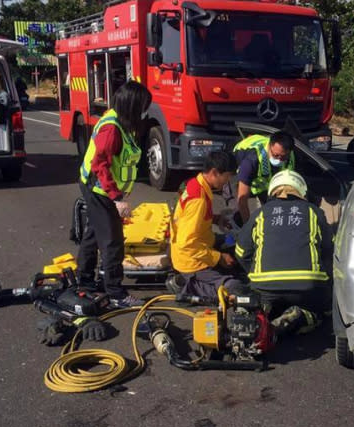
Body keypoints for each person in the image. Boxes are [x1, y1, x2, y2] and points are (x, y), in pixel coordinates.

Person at [77, 80, 152, 308]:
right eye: (142, 106)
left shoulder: (120, 122)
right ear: (132, 106)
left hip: (101, 188)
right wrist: (117, 198)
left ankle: (86, 281)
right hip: (99, 189)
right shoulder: (112, 129)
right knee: (112, 241)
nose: (144, 111)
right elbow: (101, 165)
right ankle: (116, 292)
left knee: (93, 233)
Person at [235, 169, 333, 336]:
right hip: (307, 287)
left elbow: (241, 251)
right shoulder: (315, 212)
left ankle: (262, 312)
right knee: (322, 311)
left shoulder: (261, 214)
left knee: (255, 301)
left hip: (265, 286)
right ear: (302, 191)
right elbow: (329, 249)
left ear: (273, 190)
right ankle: (301, 316)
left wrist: (254, 271)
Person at [170, 150, 246, 300]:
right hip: (191, 261)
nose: (227, 182)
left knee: (232, 241)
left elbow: (191, 219)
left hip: (203, 242)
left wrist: (215, 219)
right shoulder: (198, 200)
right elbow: (187, 244)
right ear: (215, 172)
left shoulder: (196, 185)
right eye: (227, 177)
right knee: (234, 287)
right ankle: (183, 284)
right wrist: (218, 257)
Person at [228, 131, 296, 226]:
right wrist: (248, 229)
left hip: (264, 181)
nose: (279, 160)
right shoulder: (251, 162)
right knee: (238, 211)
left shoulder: (291, 155)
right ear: (270, 147)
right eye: (276, 155)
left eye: (283, 157)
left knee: (273, 209)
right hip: (238, 168)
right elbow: (242, 200)